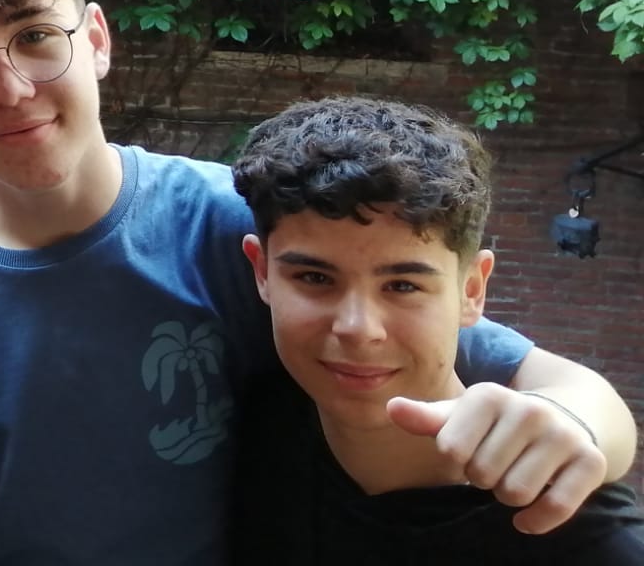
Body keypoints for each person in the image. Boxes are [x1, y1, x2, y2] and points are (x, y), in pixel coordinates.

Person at [0, 0, 637, 566]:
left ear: (96, 40)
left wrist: (577, 429)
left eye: (34, 37)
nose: (10, 89)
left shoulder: (226, 221)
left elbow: (532, 374)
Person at [230, 96, 644, 564]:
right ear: (262, 272)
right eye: (314, 278)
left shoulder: (582, 537)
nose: (358, 328)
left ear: (472, 290)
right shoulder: (250, 426)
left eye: (403, 285)